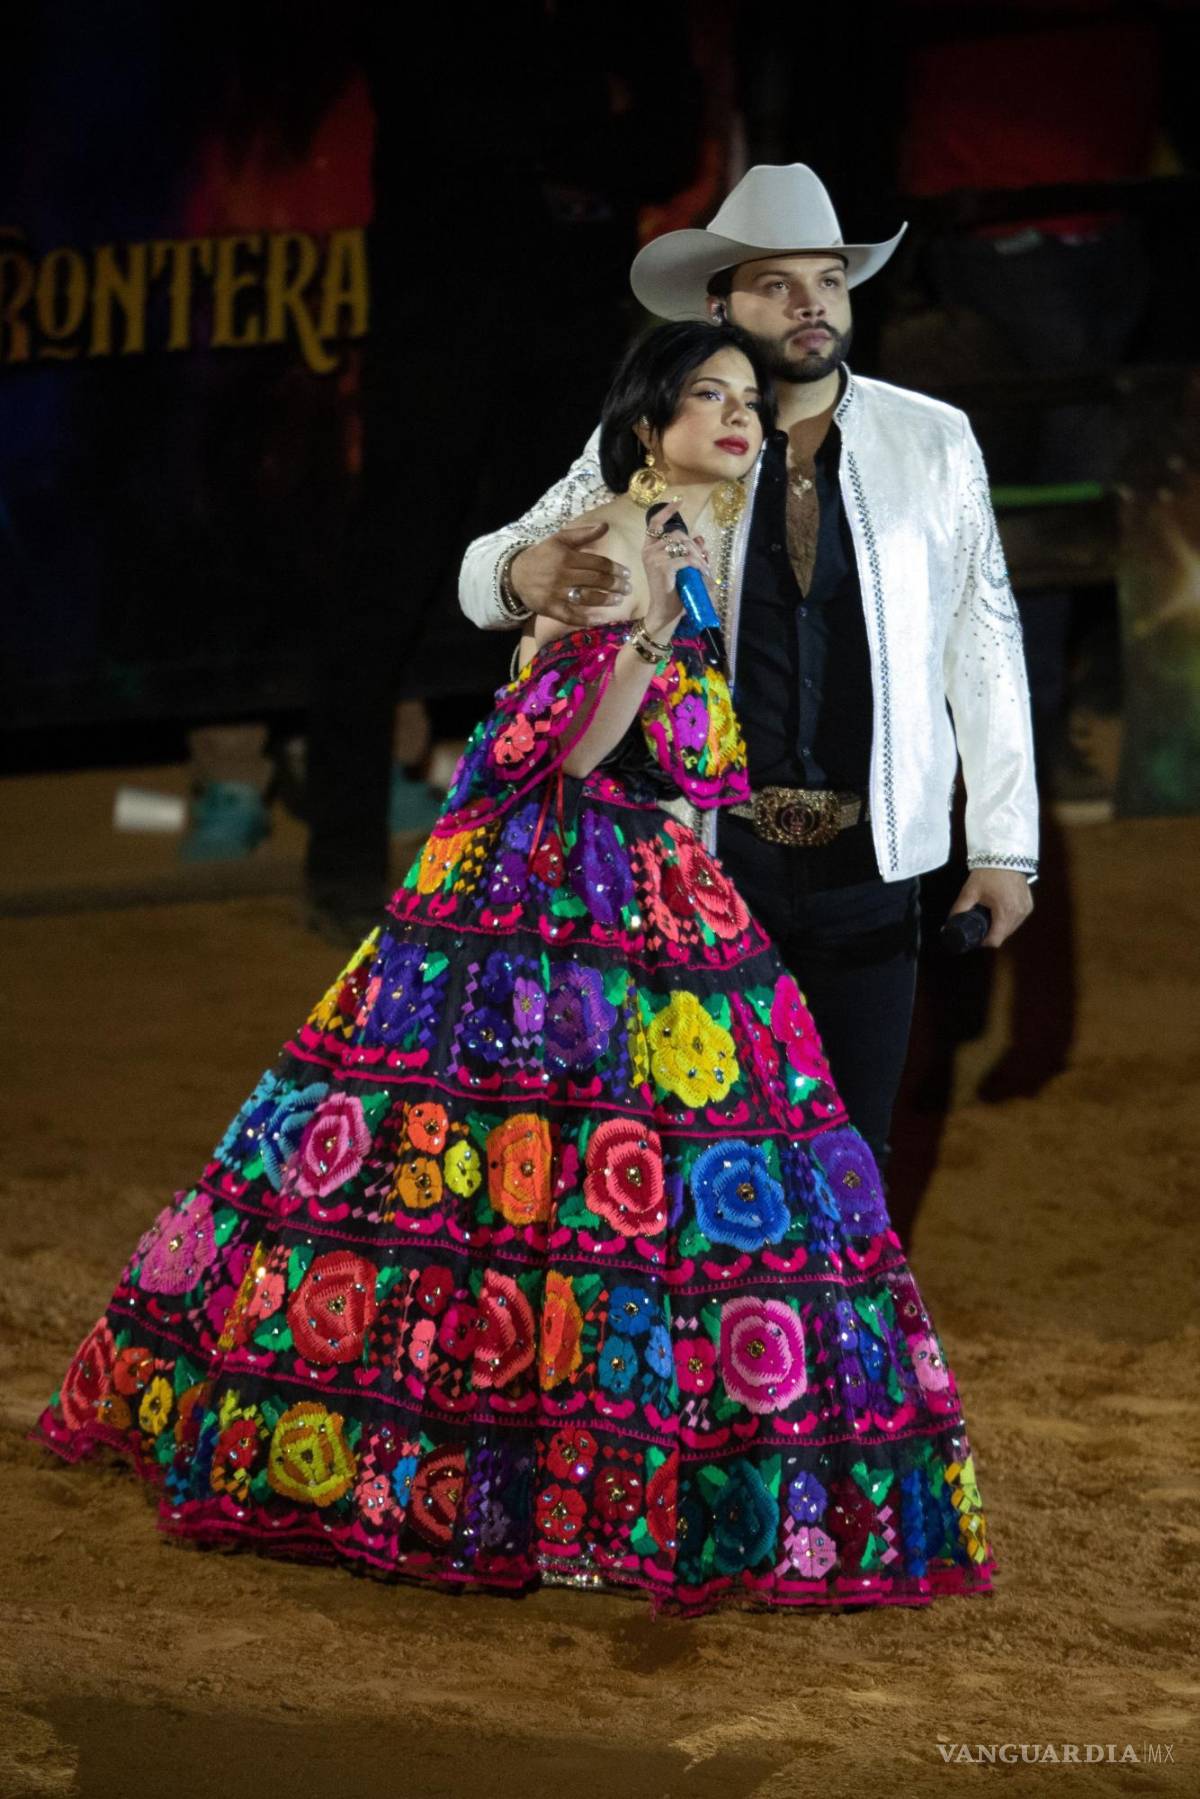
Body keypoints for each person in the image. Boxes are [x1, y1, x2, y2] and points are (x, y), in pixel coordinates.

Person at [34, 322, 995, 1620]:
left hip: (660, 893)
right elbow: (583, 746)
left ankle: (567, 1472)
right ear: (648, 425)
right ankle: (494, 1474)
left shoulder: (682, 545)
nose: (736, 419)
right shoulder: (614, 542)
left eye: (747, 404)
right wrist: (653, 622)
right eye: (705, 398)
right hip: (554, 903)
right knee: (508, 1178)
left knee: (597, 1195)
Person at [460, 163, 1040, 1175]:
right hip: (709, 867)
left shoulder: (932, 440)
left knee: (855, 1156)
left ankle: (849, 1340)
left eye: (829, 279)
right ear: (722, 303)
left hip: (875, 864)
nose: (811, 303)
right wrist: (527, 567)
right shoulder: (677, 434)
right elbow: (485, 568)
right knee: (705, 1159)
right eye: (779, 283)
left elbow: (982, 641)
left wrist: (1004, 846)